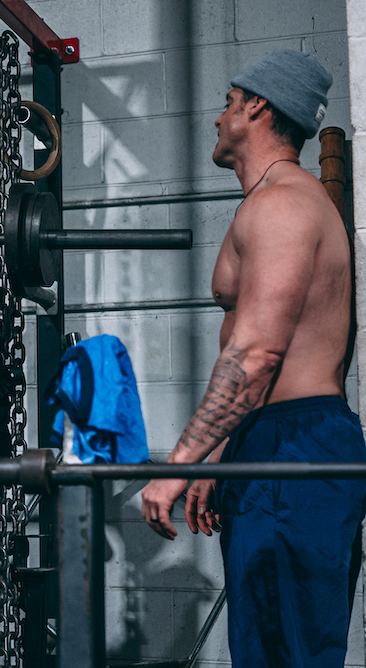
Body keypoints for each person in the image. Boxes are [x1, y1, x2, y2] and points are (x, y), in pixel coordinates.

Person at [140, 49, 366, 667]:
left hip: (294, 444)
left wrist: (180, 464)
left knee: (289, 653)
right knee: (265, 650)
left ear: (257, 107)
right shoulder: (272, 201)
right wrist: (219, 452)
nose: (218, 118)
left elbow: (259, 352)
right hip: (269, 441)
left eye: (228, 103)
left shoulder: (283, 204)